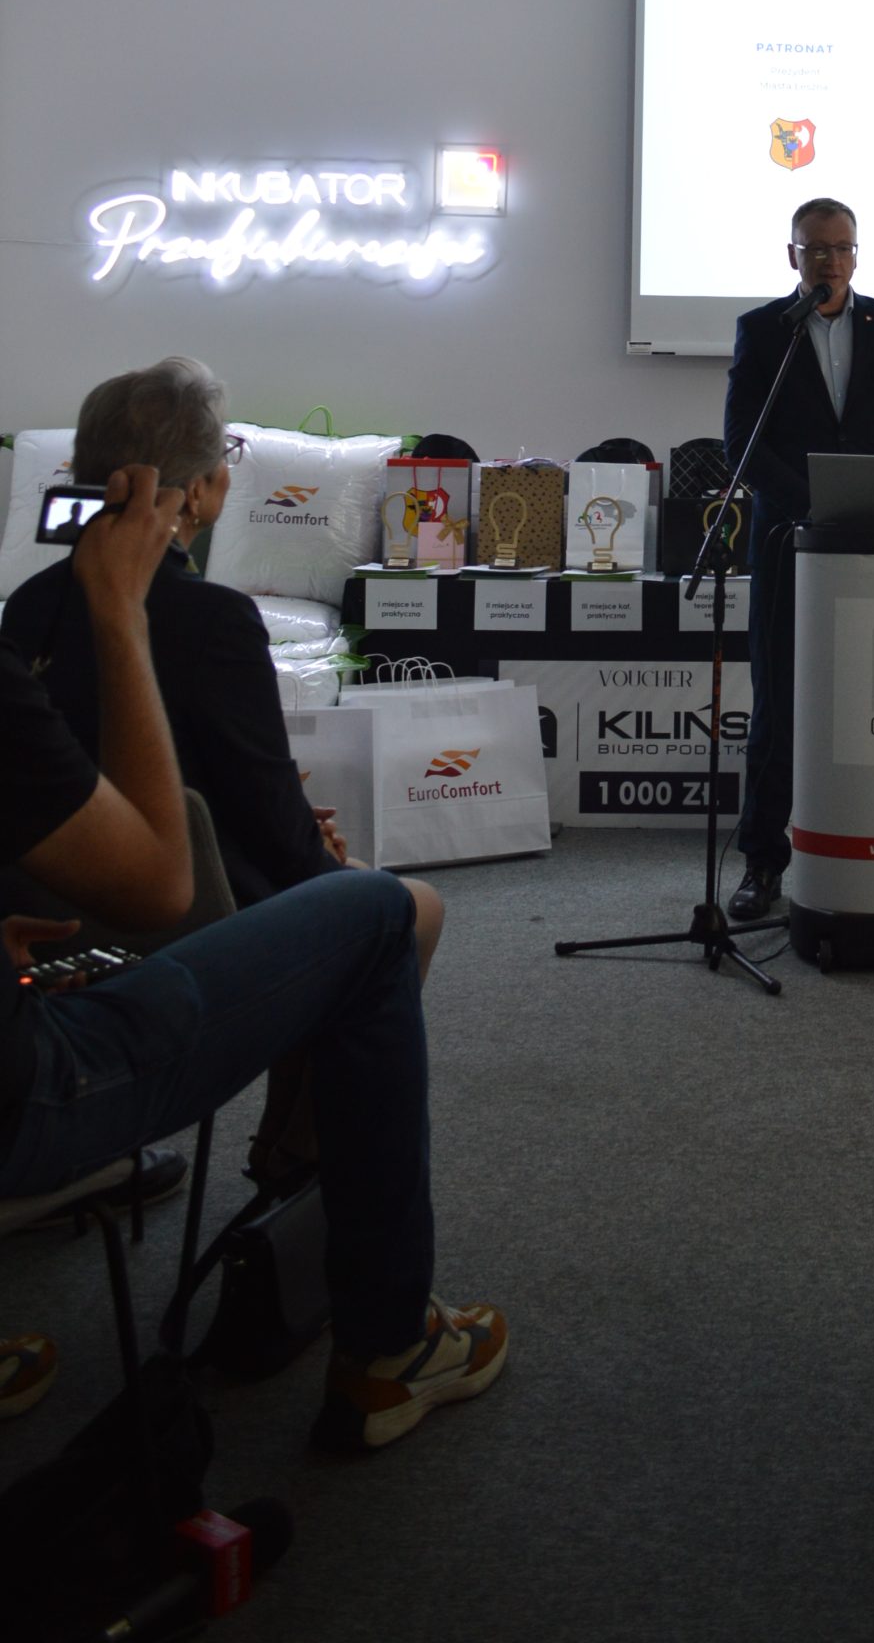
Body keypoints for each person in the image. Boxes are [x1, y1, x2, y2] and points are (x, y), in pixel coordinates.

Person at [0, 462, 505, 1454]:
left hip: (45, 963)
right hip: (34, 1087)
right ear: (184, 494)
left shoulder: (25, 608)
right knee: (375, 912)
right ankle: (389, 1348)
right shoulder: (192, 617)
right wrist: (120, 614)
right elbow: (160, 883)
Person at [4, 357, 440, 951]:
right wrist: (318, 853)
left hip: (54, 908)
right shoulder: (217, 620)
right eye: (225, 454)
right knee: (408, 904)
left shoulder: (28, 605)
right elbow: (275, 830)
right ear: (196, 491)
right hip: (196, 913)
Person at [722, 195, 874, 920]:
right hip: (788, 541)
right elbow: (743, 445)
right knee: (778, 704)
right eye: (815, 248)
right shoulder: (764, 331)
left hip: (872, 545)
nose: (829, 260)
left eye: (841, 248)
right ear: (793, 256)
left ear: (856, 255)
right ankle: (762, 862)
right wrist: (815, 502)